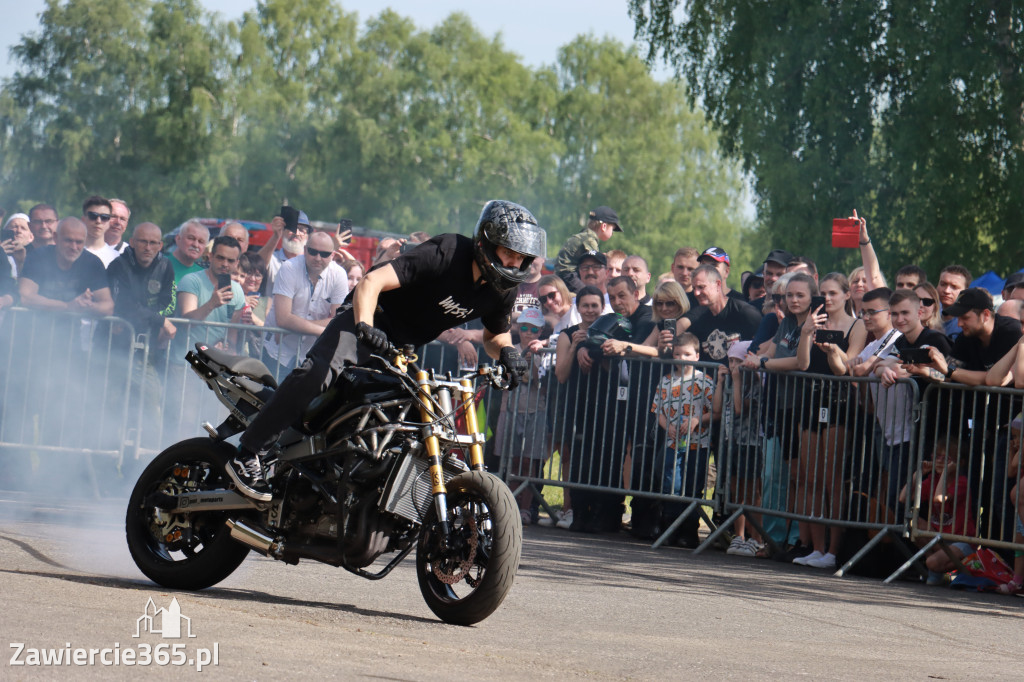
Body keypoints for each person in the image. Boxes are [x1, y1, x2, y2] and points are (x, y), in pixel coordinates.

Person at [228, 200, 544, 500]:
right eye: (508, 253)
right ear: (487, 244)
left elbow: (495, 335)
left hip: (400, 347)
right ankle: (249, 452)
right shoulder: (447, 253)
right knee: (317, 373)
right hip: (366, 318)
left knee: (397, 418)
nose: (514, 263)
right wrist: (365, 326)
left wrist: (508, 352)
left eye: (521, 257)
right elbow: (371, 282)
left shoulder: (502, 289)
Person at [650, 332, 717, 548]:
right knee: (672, 483)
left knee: (693, 485)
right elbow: (657, 410)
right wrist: (666, 426)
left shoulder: (705, 381)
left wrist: (698, 419)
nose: (681, 358)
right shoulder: (666, 381)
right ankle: (670, 527)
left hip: (699, 444)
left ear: (697, 356)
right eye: (677, 354)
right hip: (672, 443)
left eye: (687, 354)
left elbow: (715, 412)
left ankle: (689, 531)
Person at [548, 286, 606, 529]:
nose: (590, 310)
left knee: (600, 458)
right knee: (573, 458)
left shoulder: (610, 330)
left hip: (604, 403)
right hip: (576, 402)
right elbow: (561, 374)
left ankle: (598, 511)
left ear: (602, 307)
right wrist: (575, 346)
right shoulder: (567, 334)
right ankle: (571, 508)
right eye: (586, 305)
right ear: (578, 308)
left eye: (595, 305)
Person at [262, 231, 349, 376]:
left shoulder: (339, 274)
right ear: (305, 250)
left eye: (324, 254)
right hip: (277, 352)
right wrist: (322, 332)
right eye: (313, 252)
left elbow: (338, 320)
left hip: (310, 355)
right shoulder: (289, 267)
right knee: (269, 397)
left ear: (333, 255)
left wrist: (294, 324)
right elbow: (283, 319)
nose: (318, 258)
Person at [494, 307, 549, 525]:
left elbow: (540, 383)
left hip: (536, 410)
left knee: (530, 461)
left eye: (533, 329)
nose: (528, 332)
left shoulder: (545, 353)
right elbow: (505, 380)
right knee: (513, 460)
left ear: (540, 331)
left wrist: (531, 362)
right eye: (524, 327)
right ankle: (511, 505)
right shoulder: (510, 350)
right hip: (510, 410)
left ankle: (526, 508)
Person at [898, 439, 977, 585]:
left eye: (945, 459)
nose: (939, 461)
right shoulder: (933, 479)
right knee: (913, 521)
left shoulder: (961, 482)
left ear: (959, 463)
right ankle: (935, 567)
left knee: (932, 563)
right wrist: (918, 474)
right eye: (936, 457)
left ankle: (940, 568)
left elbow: (939, 499)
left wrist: (946, 472)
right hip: (940, 539)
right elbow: (903, 498)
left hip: (961, 542)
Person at [718, 339, 765, 556]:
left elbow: (738, 408)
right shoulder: (730, 380)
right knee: (736, 489)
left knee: (751, 491)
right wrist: (721, 382)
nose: (734, 365)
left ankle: (756, 538)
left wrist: (736, 381)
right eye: (731, 360)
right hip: (732, 440)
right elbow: (718, 407)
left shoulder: (755, 383)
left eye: (738, 360)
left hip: (751, 441)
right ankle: (739, 536)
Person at [18, 217, 113, 317]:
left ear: (85, 241)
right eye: (68, 240)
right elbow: (25, 297)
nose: (74, 247)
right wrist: (67, 306)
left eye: (79, 242)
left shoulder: (92, 263)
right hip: (33, 327)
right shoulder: (38, 256)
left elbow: (108, 306)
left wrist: (86, 306)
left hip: (71, 330)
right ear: (55, 238)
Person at [106, 222, 176, 352]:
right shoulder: (118, 266)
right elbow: (124, 304)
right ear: (132, 242)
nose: (148, 247)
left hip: (150, 341)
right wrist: (160, 320)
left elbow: (168, 303)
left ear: (160, 246)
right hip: (115, 341)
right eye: (143, 241)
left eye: (153, 243)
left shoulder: (166, 266)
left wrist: (149, 318)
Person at [678, 265, 761, 365]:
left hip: (740, 379)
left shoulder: (745, 312)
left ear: (718, 284)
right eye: (694, 288)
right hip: (709, 379)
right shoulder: (699, 319)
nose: (696, 293)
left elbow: (762, 346)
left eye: (701, 287)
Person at [176, 236, 246, 351]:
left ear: (237, 263)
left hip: (217, 361)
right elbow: (186, 323)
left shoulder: (237, 290)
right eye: (220, 258)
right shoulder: (191, 281)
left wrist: (229, 351)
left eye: (230, 260)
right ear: (211, 257)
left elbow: (232, 332)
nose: (225, 264)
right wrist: (211, 304)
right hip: (186, 359)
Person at [554, 206, 620, 293]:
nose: (612, 233)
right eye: (612, 229)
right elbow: (594, 260)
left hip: (564, 274)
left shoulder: (584, 235)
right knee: (588, 294)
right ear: (604, 226)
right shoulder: (590, 239)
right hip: (569, 275)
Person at [81, 196, 120, 267]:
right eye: (93, 216)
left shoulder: (116, 258)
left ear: (109, 222)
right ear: (83, 219)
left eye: (104, 217)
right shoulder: (73, 252)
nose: (98, 221)